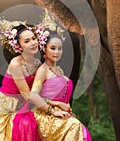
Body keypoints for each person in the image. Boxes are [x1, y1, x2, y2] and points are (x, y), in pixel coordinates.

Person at [0, 17, 70, 141]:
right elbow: (29, 96)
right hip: (2, 108)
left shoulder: (37, 64)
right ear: (18, 46)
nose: (33, 43)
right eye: (27, 41)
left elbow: (40, 91)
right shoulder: (16, 65)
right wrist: (53, 108)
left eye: (34, 38)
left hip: (23, 106)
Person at [31, 9, 92, 141]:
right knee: (75, 128)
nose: (57, 52)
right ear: (44, 51)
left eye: (60, 48)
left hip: (59, 115)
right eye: (53, 48)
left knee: (80, 129)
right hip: (44, 116)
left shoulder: (59, 71)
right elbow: (33, 96)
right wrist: (56, 105)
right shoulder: (42, 70)